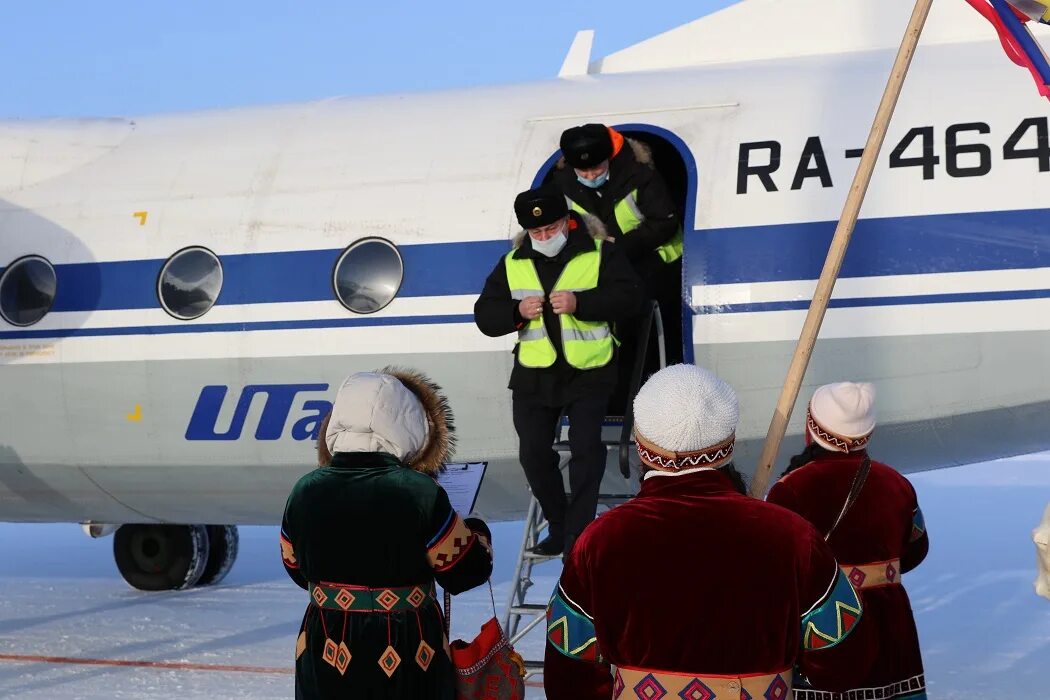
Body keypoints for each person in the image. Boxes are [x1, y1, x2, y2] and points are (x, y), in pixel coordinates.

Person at [543, 364, 872, 700]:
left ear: (642, 448)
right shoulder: (793, 537)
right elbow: (844, 665)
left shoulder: (599, 543)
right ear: (728, 445)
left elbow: (569, 680)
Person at [280, 367, 493, 700]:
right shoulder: (418, 491)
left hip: (326, 641)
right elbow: (465, 573)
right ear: (407, 421)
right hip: (405, 642)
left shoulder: (305, 489)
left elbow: (296, 569)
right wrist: (476, 533)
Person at [473, 183, 642, 556]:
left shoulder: (600, 253)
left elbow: (631, 298)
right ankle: (560, 522)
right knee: (532, 453)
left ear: (567, 222)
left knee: (586, 448)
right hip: (535, 373)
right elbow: (484, 316)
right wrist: (516, 313)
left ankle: (579, 533)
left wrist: (581, 302)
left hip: (589, 371)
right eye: (537, 232)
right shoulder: (511, 264)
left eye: (551, 229)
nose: (545, 237)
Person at [767, 382, 930, 700]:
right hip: (889, 624)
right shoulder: (897, 484)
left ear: (811, 428)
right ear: (866, 434)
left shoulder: (789, 490)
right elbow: (915, 552)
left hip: (823, 627)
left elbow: (775, 571)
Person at [551, 123, 684, 378]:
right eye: (583, 171)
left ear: (608, 159)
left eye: (596, 168)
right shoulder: (563, 184)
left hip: (654, 262)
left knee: (650, 335)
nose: (590, 176)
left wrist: (620, 246)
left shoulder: (640, 174)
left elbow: (665, 221)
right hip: (602, 271)